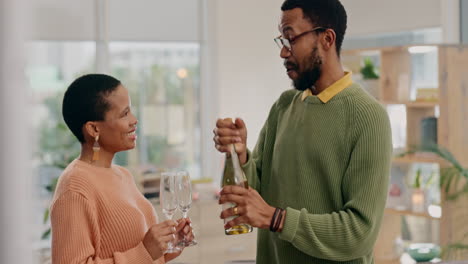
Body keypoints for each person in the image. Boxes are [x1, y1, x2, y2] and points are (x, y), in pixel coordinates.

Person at [214, 0, 392, 263]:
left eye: (291, 38)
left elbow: (359, 233)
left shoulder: (368, 117)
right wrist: (240, 157)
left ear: (327, 38)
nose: (283, 53)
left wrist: (276, 219)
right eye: (282, 40)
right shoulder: (284, 106)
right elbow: (256, 197)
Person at [51, 74, 193, 264]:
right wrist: (145, 251)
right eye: (124, 114)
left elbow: (141, 255)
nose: (134, 120)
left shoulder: (123, 175)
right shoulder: (74, 187)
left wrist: (168, 247)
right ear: (94, 129)